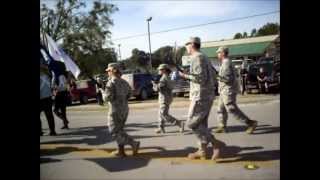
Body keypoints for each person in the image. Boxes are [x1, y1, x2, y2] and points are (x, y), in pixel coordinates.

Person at [179, 37, 224, 161]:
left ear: (192, 44)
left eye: (187, 44)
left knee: (191, 123)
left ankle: (215, 143)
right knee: (202, 124)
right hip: (207, 95)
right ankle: (202, 151)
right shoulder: (203, 57)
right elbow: (211, 76)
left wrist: (185, 75)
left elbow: (200, 78)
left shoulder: (196, 57)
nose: (186, 46)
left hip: (200, 96)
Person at [215, 46, 258, 134]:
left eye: (219, 52)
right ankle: (222, 126)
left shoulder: (226, 63)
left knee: (231, 108)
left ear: (223, 53)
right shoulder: (224, 62)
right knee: (221, 108)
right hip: (223, 90)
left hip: (228, 89)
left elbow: (227, 79)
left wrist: (216, 76)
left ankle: (250, 123)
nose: (217, 54)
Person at [103, 63, 140, 157]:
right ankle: (121, 151)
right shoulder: (124, 82)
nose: (108, 73)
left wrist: (103, 91)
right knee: (120, 130)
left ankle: (133, 143)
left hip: (115, 110)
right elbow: (130, 94)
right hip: (124, 109)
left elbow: (107, 98)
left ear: (113, 71)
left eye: (108, 71)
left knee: (114, 131)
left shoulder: (111, 83)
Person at [153, 64, 184, 134]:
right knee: (160, 113)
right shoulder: (167, 77)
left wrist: (154, 85)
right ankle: (161, 128)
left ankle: (179, 123)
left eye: (160, 69)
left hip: (164, 98)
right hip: (166, 97)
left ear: (164, 70)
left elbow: (158, 88)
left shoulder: (164, 78)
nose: (159, 71)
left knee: (164, 114)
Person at [40, 64, 57, 136]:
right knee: (49, 115)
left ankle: (40, 131)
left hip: (40, 99)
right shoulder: (48, 77)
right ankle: (52, 131)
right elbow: (52, 85)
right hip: (48, 98)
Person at [53, 65, 70, 129]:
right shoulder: (63, 75)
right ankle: (65, 123)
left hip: (60, 94)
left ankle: (65, 121)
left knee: (55, 110)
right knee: (63, 110)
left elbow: (62, 86)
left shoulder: (59, 76)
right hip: (63, 93)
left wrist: (55, 87)